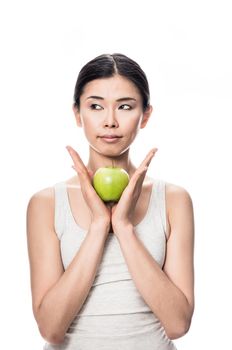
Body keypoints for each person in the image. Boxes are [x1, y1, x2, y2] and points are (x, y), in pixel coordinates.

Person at [26, 53, 195, 350]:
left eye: (126, 107)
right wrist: (98, 226)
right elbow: (51, 329)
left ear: (145, 115)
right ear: (77, 114)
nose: (110, 121)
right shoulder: (47, 203)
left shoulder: (173, 200)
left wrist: (124, 227)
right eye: (95, 106)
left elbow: (178, 324)